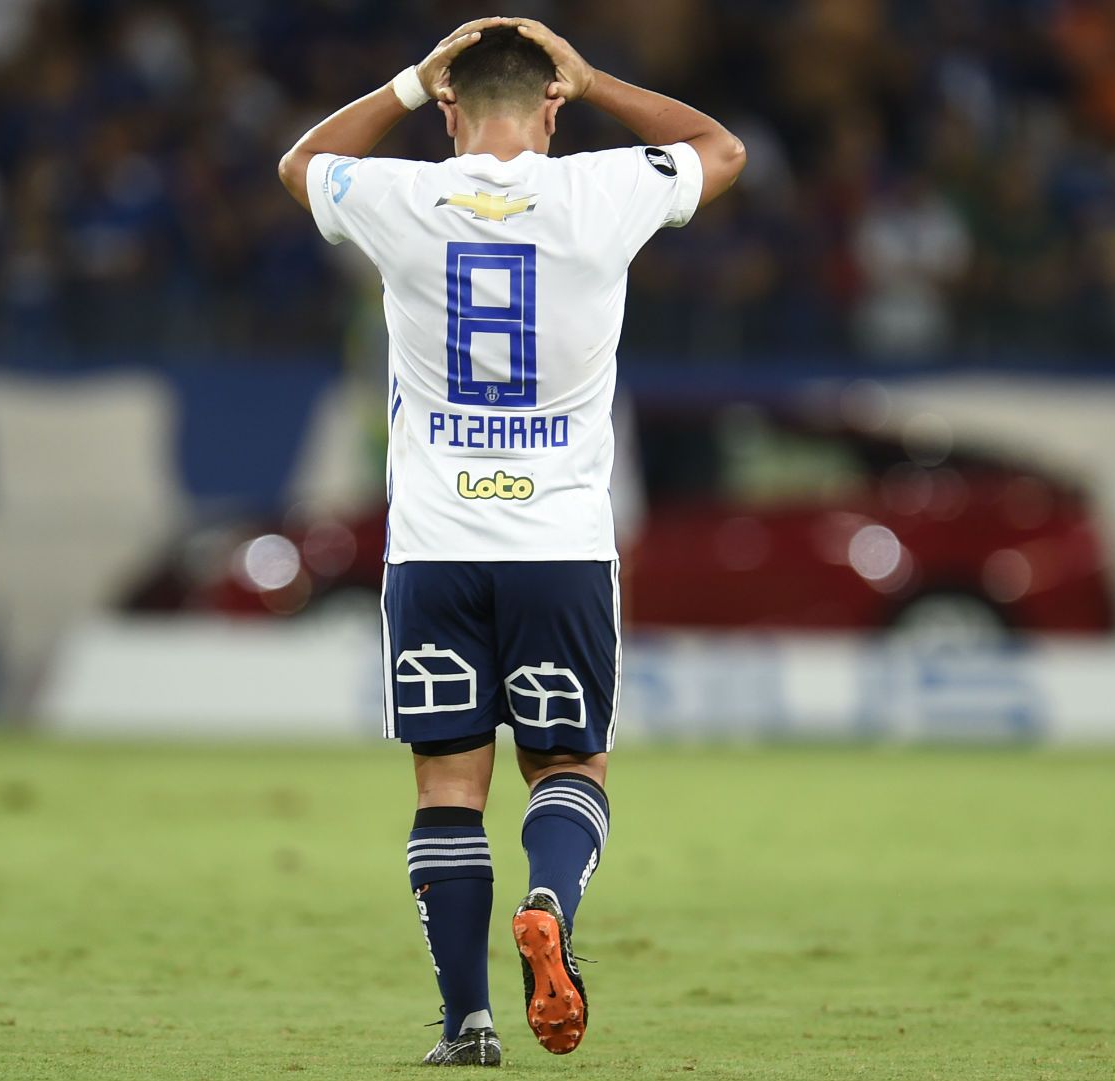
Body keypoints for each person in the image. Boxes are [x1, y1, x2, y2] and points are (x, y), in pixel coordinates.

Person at [278, 17, 745, 1066]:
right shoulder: (602, 190)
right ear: (551, 106)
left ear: (448, 108)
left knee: (447, 787)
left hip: (435, 546)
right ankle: (548, 901)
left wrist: (404, 80)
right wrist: (596, 79)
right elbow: (723, 150)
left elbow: (301, 162)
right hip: (561, 545)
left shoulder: (399, 198)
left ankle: (465, 1023)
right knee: (569, 765)